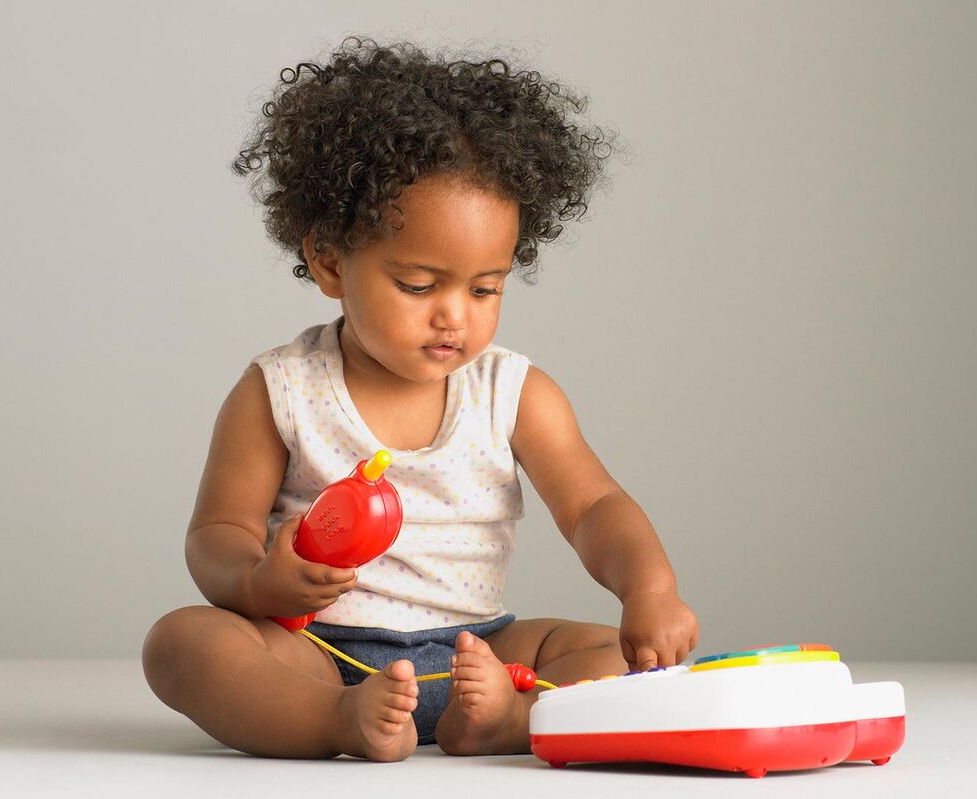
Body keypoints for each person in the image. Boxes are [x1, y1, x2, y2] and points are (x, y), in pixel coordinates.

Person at [142, 35, 699, 762]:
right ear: (331, 260)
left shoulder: (513, 391)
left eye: (485, 288)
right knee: (183, 642)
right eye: (418, 285)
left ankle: (504, 718)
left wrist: (649, 587)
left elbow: (595, 508)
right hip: (316, 651)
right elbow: (215, 531)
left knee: (617, 657)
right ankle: (336, 720)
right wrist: (256, 581)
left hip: (485, 651)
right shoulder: (281, 388)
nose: (455, 316)